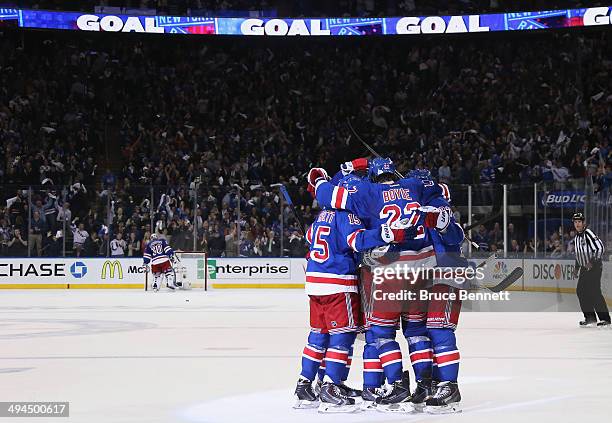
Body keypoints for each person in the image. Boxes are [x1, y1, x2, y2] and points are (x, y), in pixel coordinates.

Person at [294, 174, 409, 413]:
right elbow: (357, 241)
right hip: (337, 283)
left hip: (315, 282)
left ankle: (305, 386)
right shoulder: (346, 215)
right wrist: (384, 234)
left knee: (318, 335)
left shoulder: (322, 215)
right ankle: (330, 388)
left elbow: (309, 239)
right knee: (342, 337)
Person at [571, 213, 610, 328]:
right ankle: (590, 318)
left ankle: (605, 319)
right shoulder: (577, 237)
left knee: (594, 292)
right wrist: (577, 268)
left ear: (584, 223)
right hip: (585, 268)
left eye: (579, 221)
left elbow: (600, 248)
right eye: (575, 222)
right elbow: (579, 254)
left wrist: (592, 262)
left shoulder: (588, 233)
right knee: (581, 291)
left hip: (595, 267)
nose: (577, 224)